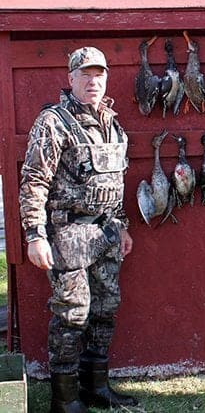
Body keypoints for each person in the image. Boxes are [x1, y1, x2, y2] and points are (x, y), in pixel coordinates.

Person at [18, 46, 138, 413]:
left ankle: (96, 387)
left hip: (107, 234)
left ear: (106, 79)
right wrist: (34, 235)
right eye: (84, 74)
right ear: (70, 79)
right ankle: (65, 398)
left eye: (99, 74)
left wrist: (123, 226)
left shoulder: (111, 123)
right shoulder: (53, 122)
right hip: (68, 233)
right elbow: (34, 179)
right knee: (73, 313)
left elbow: (115, 180)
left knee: (105, 310)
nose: (92, 80)